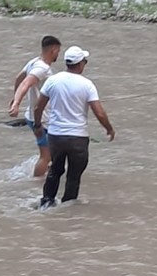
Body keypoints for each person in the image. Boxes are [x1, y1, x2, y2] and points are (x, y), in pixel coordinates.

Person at [33, 46, 115, 210]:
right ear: (80, 64)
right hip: (78, 137)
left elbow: (38, 107)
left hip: (56, 136)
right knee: (73, 176)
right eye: (85, 61)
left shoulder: (53, 81)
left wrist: (37, 125)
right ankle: (67, 208)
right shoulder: (87, 85)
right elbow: (99, 112)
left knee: (54, 171)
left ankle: (46, 202)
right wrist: (109, 128)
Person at [8, 35, 62, 177]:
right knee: (46, 156)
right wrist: (16, 103)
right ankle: (37, 183)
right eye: (58, 51)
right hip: (42, 120)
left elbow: (18, 78)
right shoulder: (42, 68)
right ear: (53, 50)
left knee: (52, 154)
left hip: (33, 116)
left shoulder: (33, 62)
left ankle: (48, 177)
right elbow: (25, 83)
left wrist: (15, 97)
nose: (59, 55)